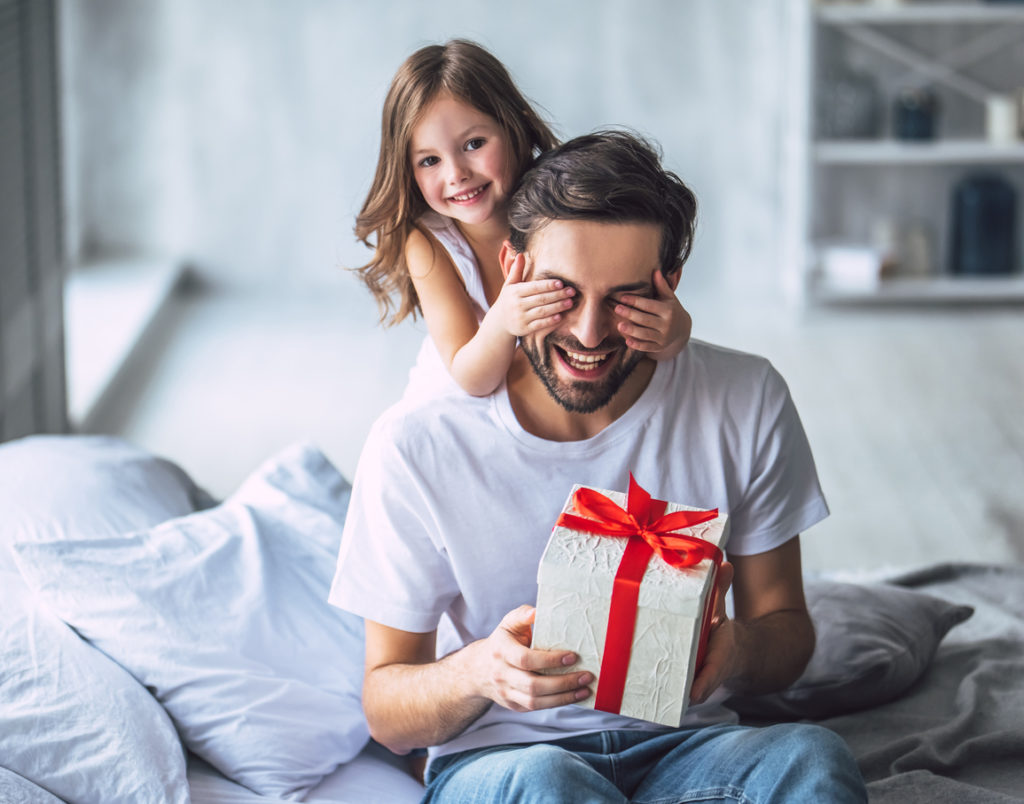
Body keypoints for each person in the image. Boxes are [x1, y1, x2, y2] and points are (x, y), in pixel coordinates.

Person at [330, 130, 867, 802]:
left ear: (668, 286)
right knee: (548, 782)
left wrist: (739, 653)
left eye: (623, 298)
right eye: (562, 292)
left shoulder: (745, 398)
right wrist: (476, 673)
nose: (588, 334)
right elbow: (387, 707)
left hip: (690, 747)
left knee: (812, 758)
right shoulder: (417, 444)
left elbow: (786, 631)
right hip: (507, 762)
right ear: (513, 268)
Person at [353, 40, 691, 399]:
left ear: (515, 127)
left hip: (554, 387)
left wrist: (675, 330)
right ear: (407, 170)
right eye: (429, 161)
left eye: (474, 144)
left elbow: (652, 345)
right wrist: (503, 321)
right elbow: (472, 380)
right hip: (470, 390)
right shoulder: (430, 243)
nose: (456, 174)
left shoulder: (559, 204)